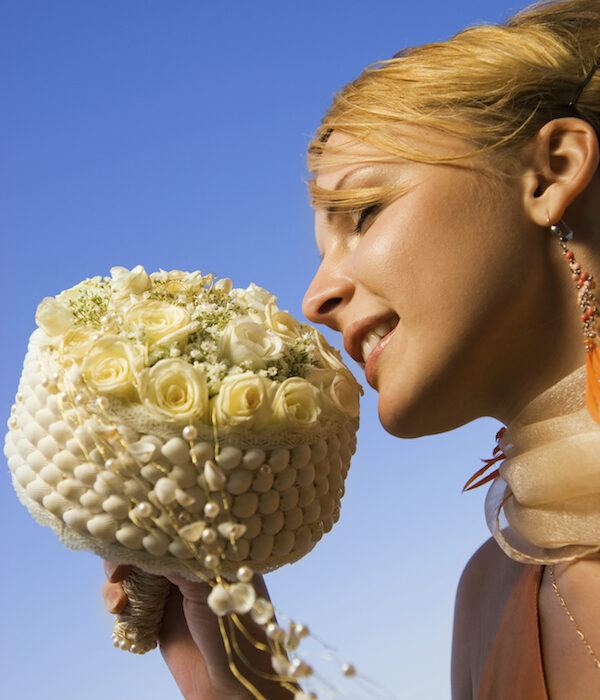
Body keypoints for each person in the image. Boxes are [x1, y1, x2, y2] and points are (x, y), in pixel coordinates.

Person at [104, 0, 600, 697]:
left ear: (552, 171)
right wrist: (244, 684)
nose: (315, 298)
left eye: (363, 214)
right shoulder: (489, 596)